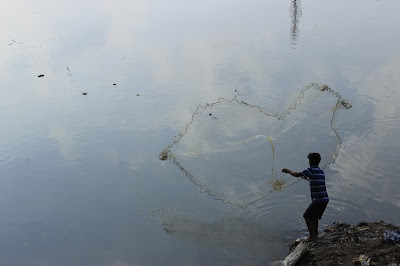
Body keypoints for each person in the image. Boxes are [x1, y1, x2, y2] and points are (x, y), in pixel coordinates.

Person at [282, 152, 329, 241]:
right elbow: (313, 179)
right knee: (314, 217)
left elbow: (296, 174)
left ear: (310, 162)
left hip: (318, 200)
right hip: (324, 199)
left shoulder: (310, 170)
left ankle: (312, 236)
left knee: (307, 216)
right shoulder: (320, 171)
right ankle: (315, 235)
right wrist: (305, 177)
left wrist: (289, 171)